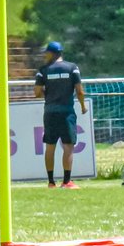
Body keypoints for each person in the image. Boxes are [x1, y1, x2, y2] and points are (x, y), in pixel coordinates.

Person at [34, 40, 87, 189]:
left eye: (47, 53)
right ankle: (66, 182)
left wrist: (48, 94)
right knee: (68, 146)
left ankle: (51, 182)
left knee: (50, 146)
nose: (45, 55)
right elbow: (80, 91)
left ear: (52, 53)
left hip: (50, 112)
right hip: (66, 112)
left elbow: (37, 92)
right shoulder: (72, 68)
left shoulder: (43, 70)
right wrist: (83, 106)